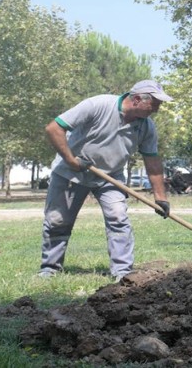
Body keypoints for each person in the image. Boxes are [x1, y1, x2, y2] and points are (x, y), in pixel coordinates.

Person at [38, 80, 173, 281]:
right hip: (69, 171)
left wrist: (160, 198)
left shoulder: (146, 127)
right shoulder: (98, 105)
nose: (157, 109)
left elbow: (152, 161)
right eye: (154, 104)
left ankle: (123, 273)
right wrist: (71, 160)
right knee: (58, 220)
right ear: (137, 99)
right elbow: (54, 128)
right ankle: (49, 269)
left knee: (118, 217)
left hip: (111, 176)